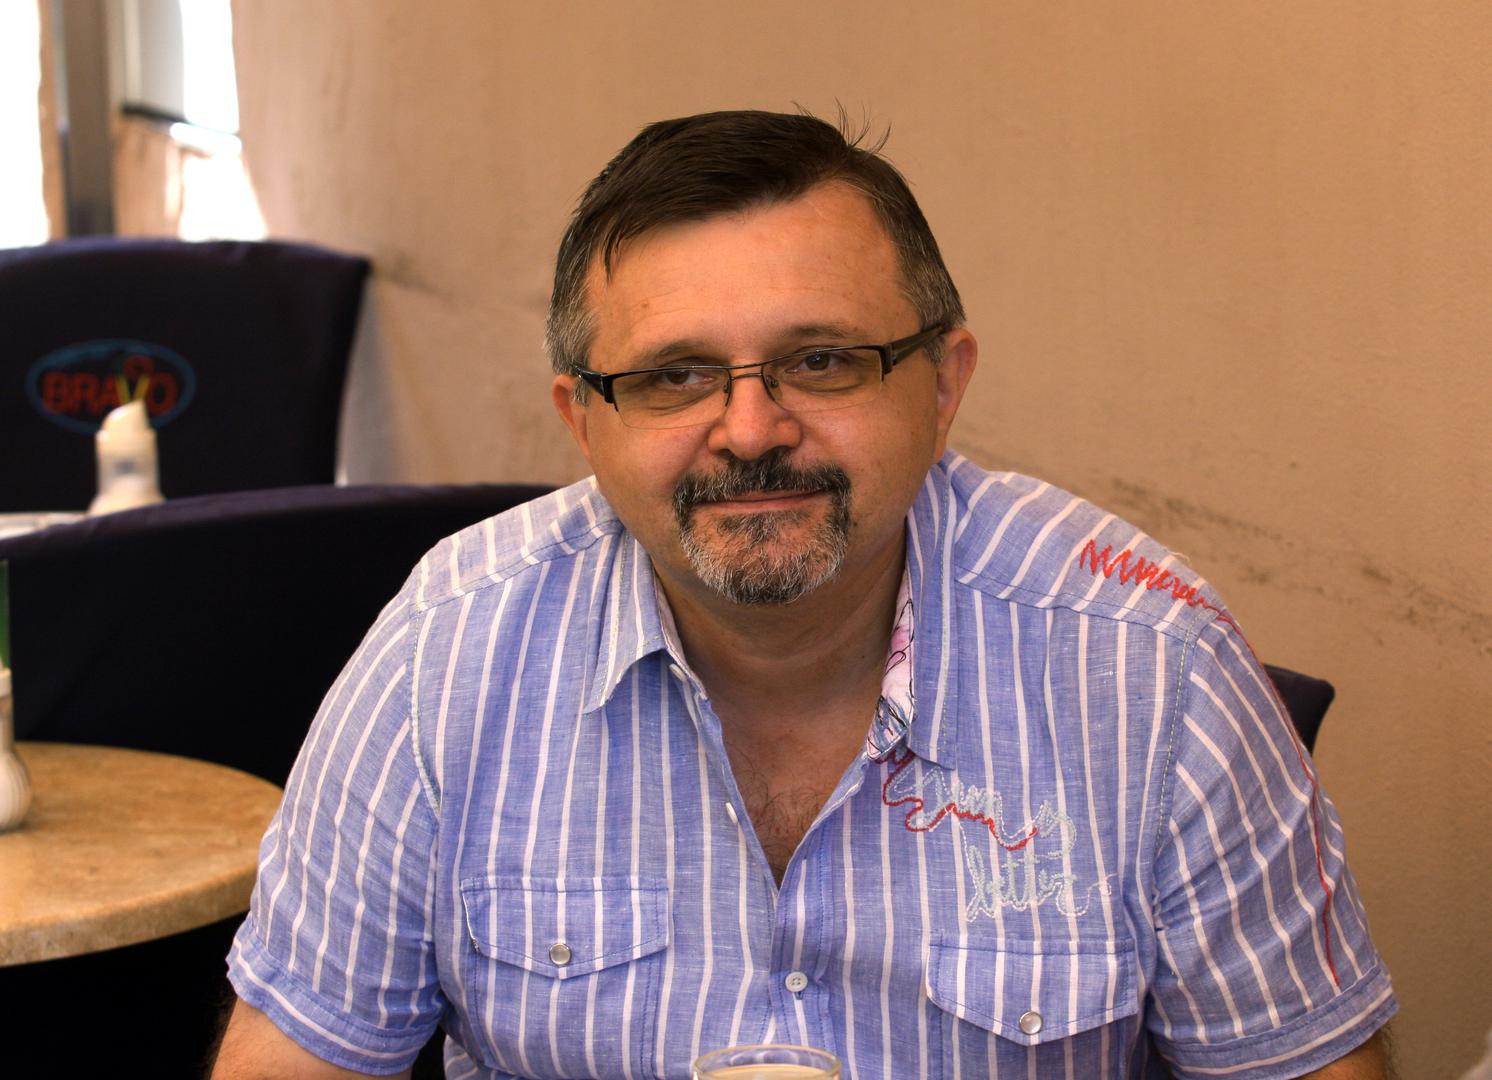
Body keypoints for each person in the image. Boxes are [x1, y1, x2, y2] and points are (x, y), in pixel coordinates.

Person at [213, 110, 1396, 1079]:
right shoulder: (448, 650)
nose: (750, 429)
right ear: (583, 421)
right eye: (674, 375)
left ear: (944, 384)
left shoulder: (1150, 669)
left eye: (821, 361)